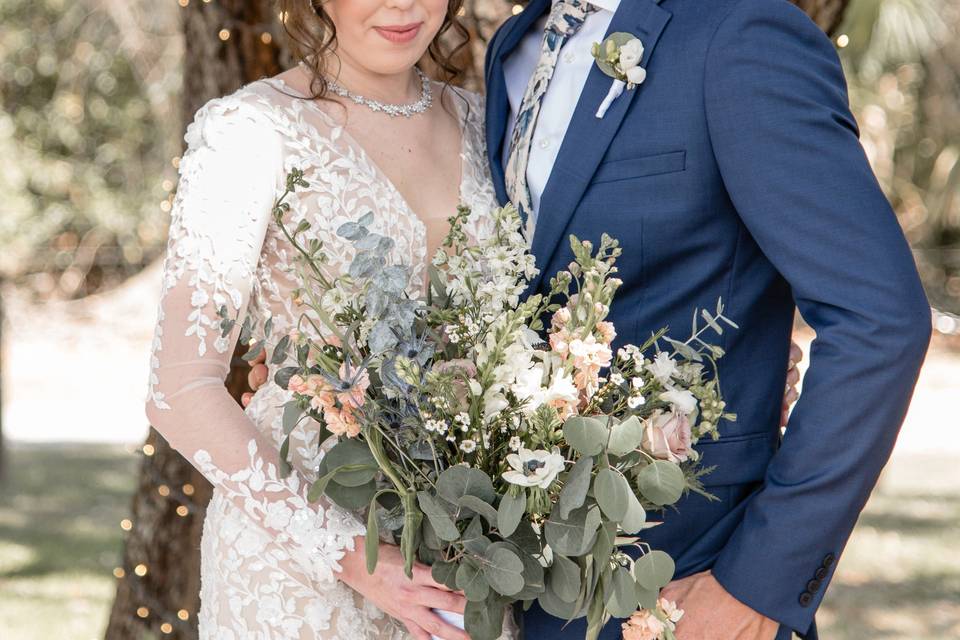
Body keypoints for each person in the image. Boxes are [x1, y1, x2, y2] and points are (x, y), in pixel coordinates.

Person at [482, 0, 931, 639]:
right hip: (524, 588)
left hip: (687, 585)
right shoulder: (515, 45)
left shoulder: (741, 33)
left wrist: (754, 588)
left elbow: (879, 319)